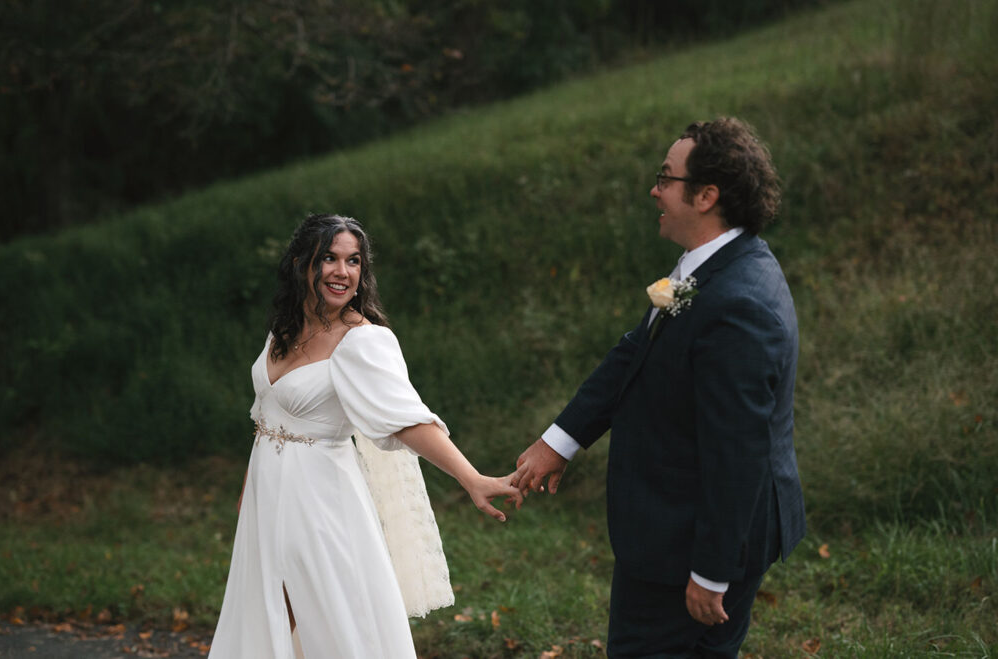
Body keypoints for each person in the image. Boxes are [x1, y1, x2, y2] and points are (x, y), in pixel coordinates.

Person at [511, 118, 806, 658]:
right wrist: (560, 441)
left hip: (689, 543)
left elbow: (737, 450)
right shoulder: (708, 269)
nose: (654, 189)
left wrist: (711, 572)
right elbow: (636, 351)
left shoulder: (738, 303)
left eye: (665, 177)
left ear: (706, 195)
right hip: (666, 530)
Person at [208, 214, 522, 658]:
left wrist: (472, 479)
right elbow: (266, 416)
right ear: (301, 264)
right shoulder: (283, 330)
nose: (343, 272)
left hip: (322, 502)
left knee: (331, 619)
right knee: (265, 615)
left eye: (353, 261)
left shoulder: (362, 341)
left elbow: (409, 420)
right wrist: (248, 492)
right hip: (267, 498)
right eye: (329, 259)